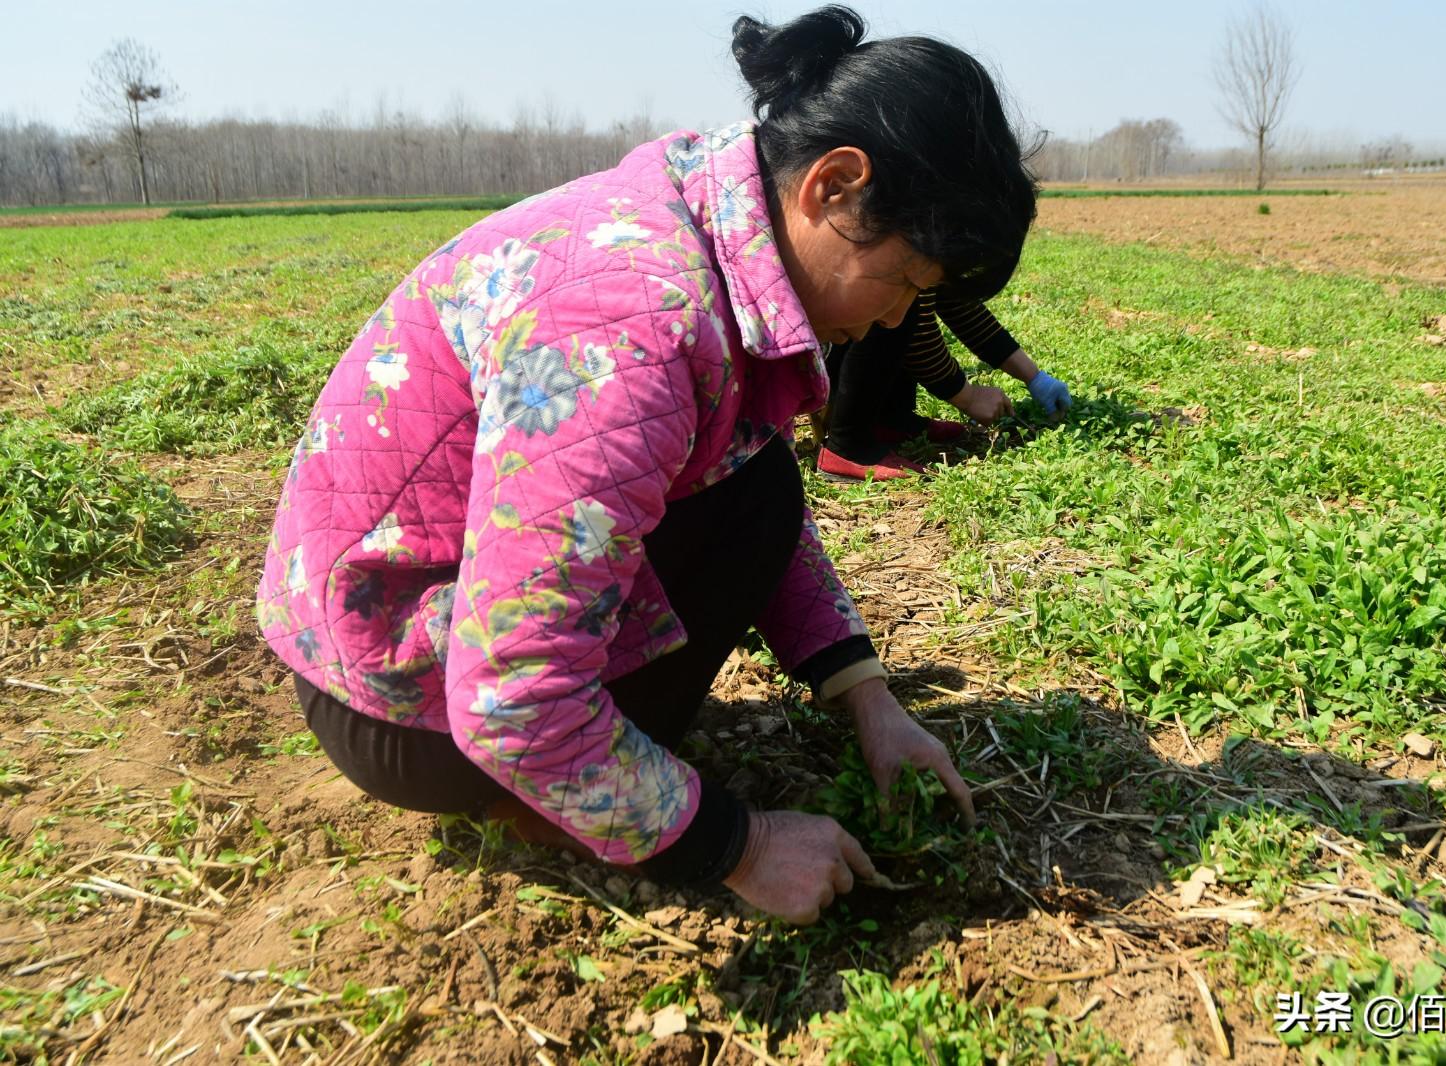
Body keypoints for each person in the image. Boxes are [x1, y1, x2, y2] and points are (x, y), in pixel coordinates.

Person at [255, 5, 1036, 926]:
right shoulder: (636, 326)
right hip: (392, 693)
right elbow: (511, 695)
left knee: (757, 484)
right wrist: (736, 846)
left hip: (410, 619)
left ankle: (588, 768)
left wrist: (867, 697)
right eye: (905, 282)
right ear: (833, 185)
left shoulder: (704, 212)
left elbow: (751, 490)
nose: (899, 320)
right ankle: (552, 803)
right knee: (748, 499)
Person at [817, 290, 1073, 480]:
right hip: (817, 337)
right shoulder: (917, 227)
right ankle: (849, 446)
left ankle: (889, 419)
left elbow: (955, 300)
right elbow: (920, 332)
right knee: (899, 302)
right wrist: (967, 396)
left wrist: (1034, 376)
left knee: (910, 297)